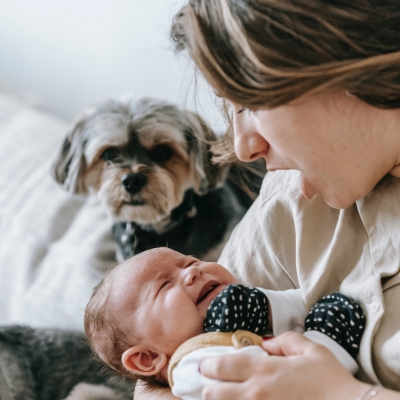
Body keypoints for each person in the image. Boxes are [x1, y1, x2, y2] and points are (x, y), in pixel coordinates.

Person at [132, 0, 400, 399]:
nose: (244, 148)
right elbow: (159, 375)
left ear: (340, 55)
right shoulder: (292, 199)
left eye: (248, 103)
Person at [84, 247, 366, 400]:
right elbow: (273, 379)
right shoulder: (190, 369)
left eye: (189, 261)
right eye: (164, 285)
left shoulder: (245, 325)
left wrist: (263, 307)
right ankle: (332, 343)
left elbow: (303, 303)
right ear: (147, 358)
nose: (193, 272)